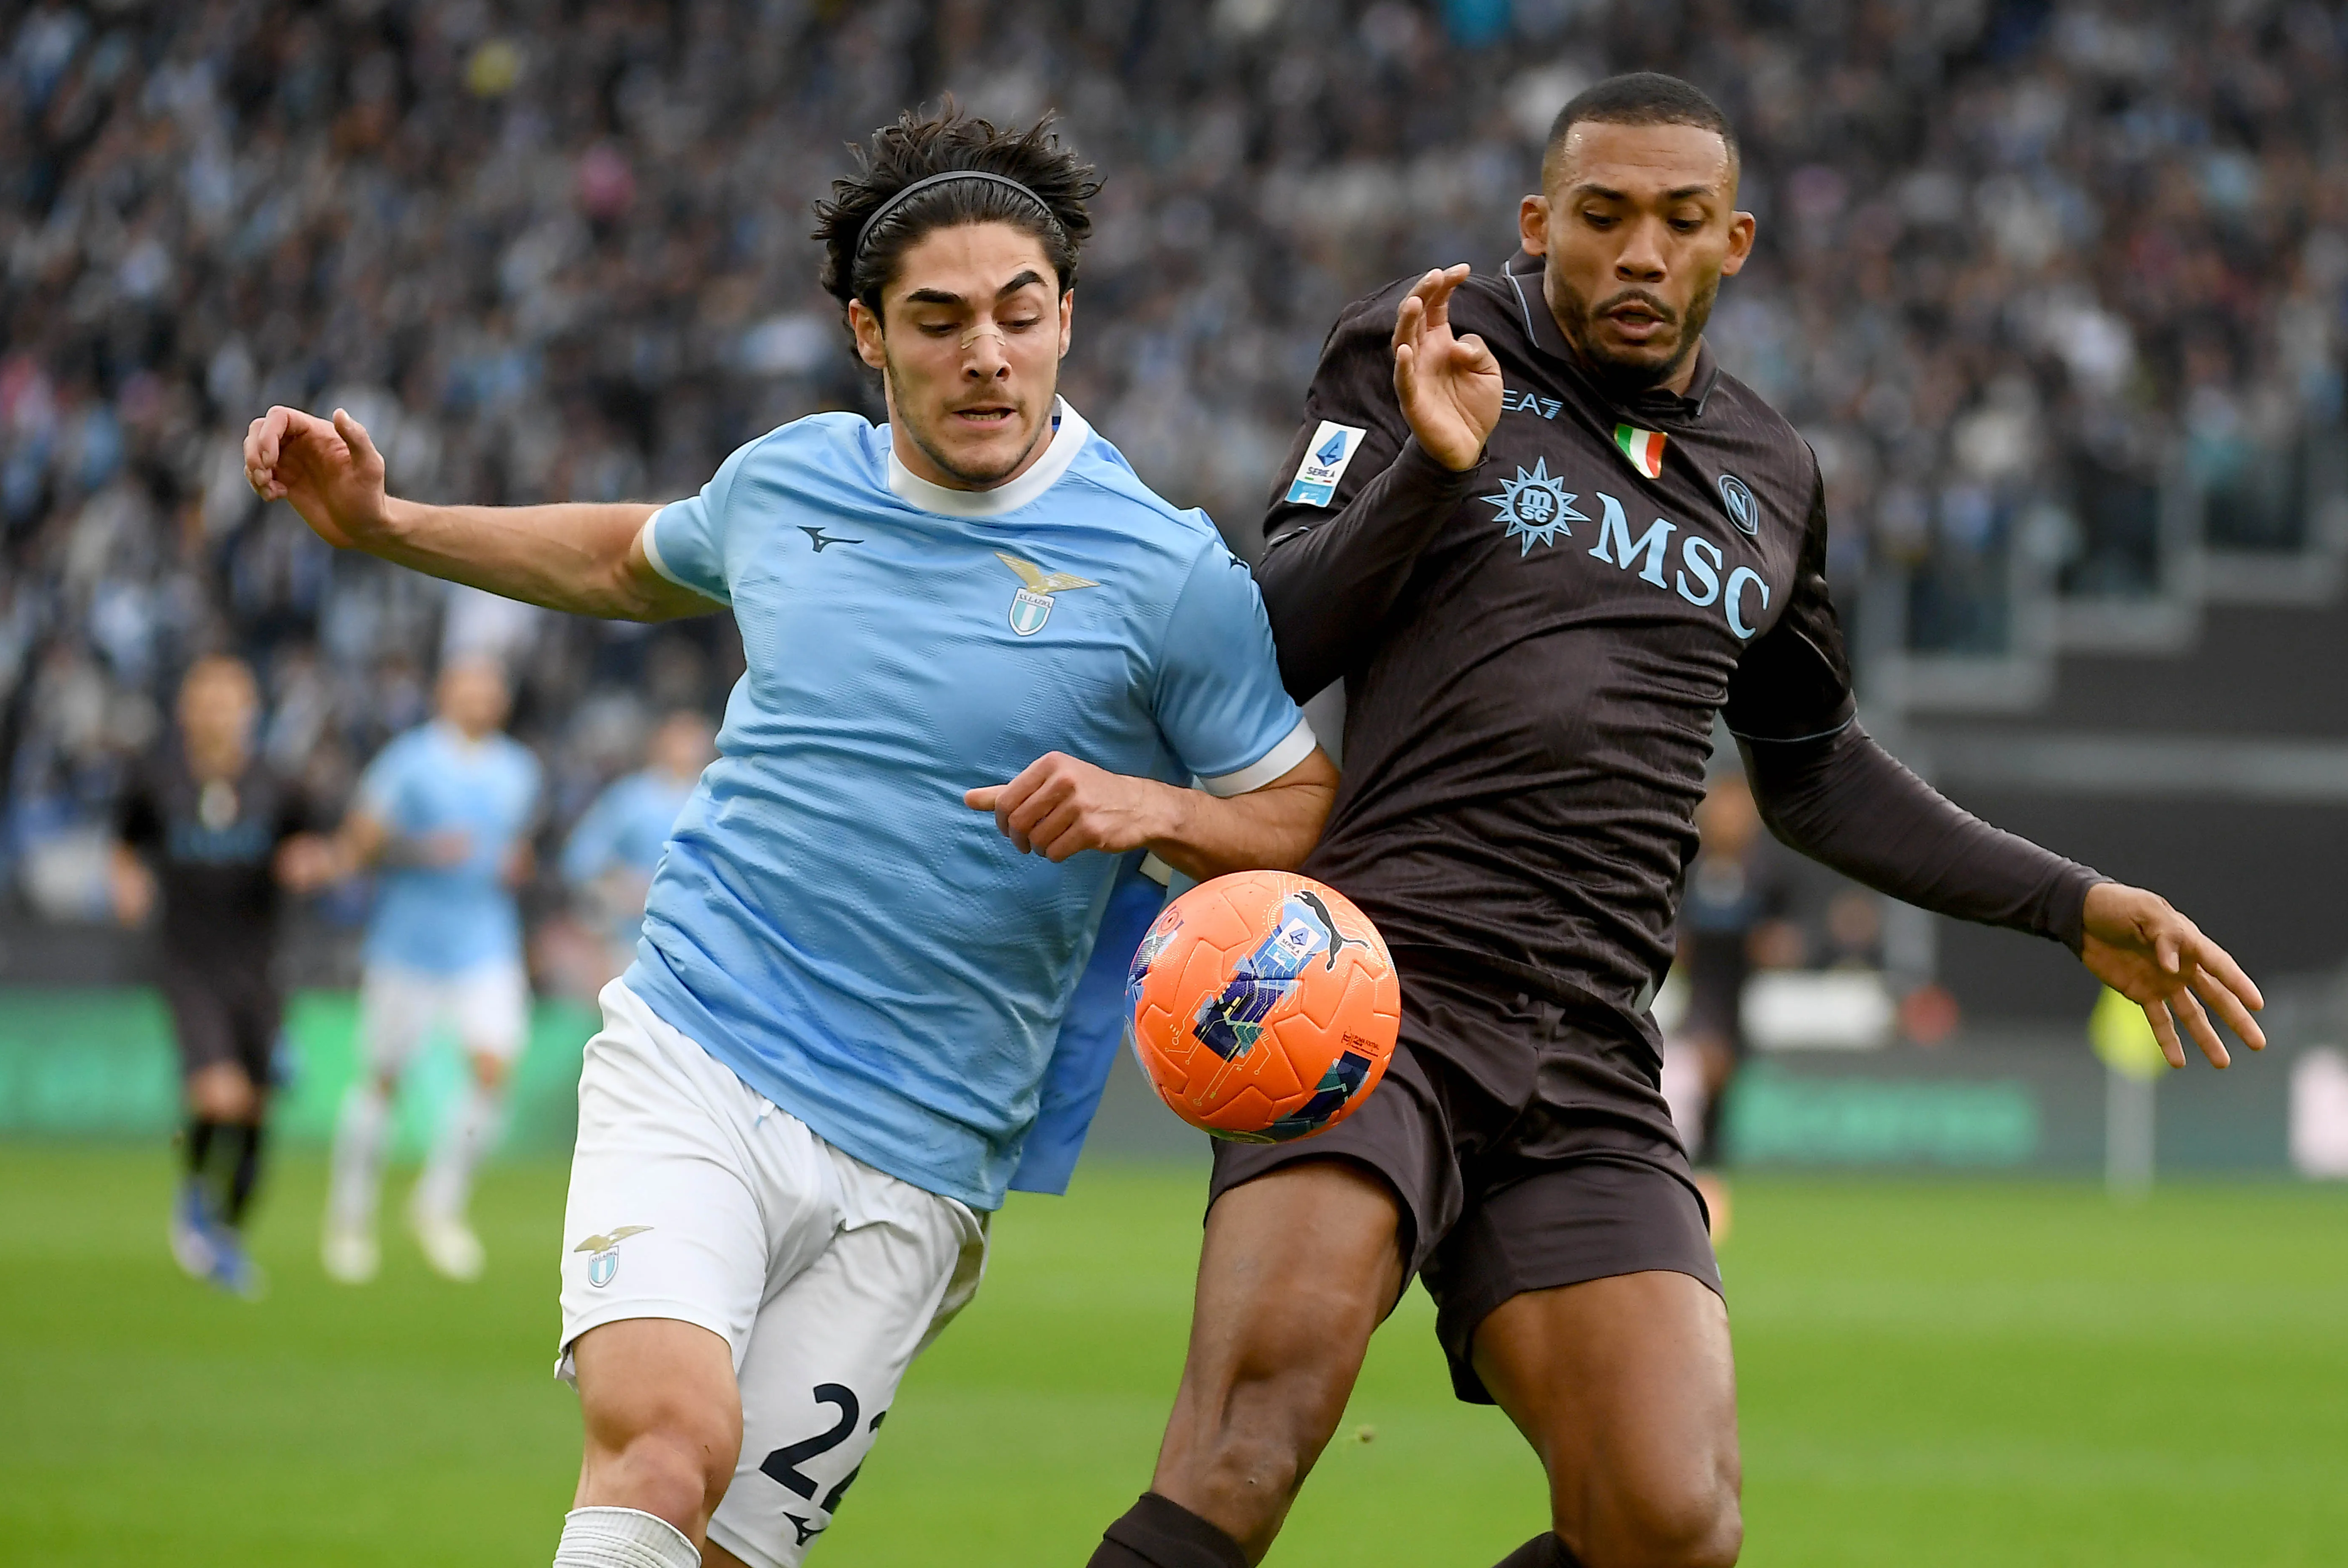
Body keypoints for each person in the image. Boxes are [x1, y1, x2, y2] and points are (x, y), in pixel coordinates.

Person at [1083, 74, 2268, 1568]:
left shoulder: (1770, 473)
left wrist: (2068, 899)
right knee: (1249, 1443)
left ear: (1735, 243)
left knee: (1668, 1526)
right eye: (1601, 216)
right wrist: (1427, 479)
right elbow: (1261, 646)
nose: (1636, 251)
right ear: (1537, 223)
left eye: (1677, 221)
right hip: (1368, 997)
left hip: (1588, 1045)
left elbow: (1813, 767)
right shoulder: (1434, 351)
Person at [245, 106, 1336, 1568]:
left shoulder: (1164, 572)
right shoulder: (786, 483)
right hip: (701, 1045)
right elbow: (623, 560)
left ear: (1065, 319)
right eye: (937, 321)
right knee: (665, 1439)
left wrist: (1154, 811)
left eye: (1018, 316)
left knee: (724, 1546)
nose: (984, 356)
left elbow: (1300, 821)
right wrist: (388, 526)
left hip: (927, 1157)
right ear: (864, 335)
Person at [111, 653, 335, 1298]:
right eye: (205, 700)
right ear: (186, 710)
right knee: (219, 1095)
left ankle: (226, 1233)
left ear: (249, 712)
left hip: (259, 966)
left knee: (257, 1114)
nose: (217, 713)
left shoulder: (279, 784)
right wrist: (126, 882)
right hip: (188, 960)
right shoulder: (155, 778)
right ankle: (193, 1204)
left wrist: (311, 864)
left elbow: (315, 848)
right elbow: (125, 842)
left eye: (229, 702)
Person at [319, 656, 543, 1286]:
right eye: (468, 686)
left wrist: (513, 864)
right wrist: (420, 849)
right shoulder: (407, 762)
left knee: (494, 1068)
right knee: (384, 1080)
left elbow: (514, 845)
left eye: (490, 687)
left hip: (485, 941)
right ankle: (350, 1219)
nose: (480, 697)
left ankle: (438, 1206)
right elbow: (359, 842)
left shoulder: (519, 770)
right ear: (446, 694)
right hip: (408, 945)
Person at [1662, 770, 1799, 1241]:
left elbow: (1789, 939)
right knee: (1697, 1079)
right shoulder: (1686, 866)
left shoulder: (1768, 874)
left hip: (1739, 1003)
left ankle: (1705, 1192)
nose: (1729, 818)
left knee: (1717, 1097)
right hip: (1690, 1005)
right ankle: (1686, 1190)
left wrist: (1777, 946)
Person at [561, 710, 718, 982]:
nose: (687, 748)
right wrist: (618, 886)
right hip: (633, 941)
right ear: (660, 742)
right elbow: (580, 858)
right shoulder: (632, 798)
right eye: (679, 738)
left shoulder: (716, 803)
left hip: (700, 943)